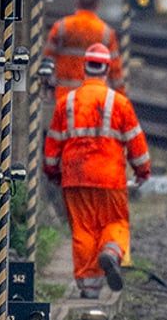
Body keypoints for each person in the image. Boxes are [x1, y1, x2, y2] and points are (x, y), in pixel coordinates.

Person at [44, 44, 151, 299]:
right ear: (106, 68)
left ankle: (89, 288)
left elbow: (52, 146)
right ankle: (111, 252)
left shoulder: (66, 103)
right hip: (110, 178)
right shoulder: (119, 103)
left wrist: (53, 173)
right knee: (115, 222)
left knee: (83, 230)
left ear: (85, 67)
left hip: (75, 177)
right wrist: (142, 171)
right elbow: (136, 143)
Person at [43, 0, 125, 103]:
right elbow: (115, 70)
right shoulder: (105, 32)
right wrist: (121, 97)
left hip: (63, 94)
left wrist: (45, 87)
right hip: (92, 96)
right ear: (97, 6)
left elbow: (47, 60)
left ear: (77, 3)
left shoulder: (61, 27)